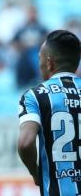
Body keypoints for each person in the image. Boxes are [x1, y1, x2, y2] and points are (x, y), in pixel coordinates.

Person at [17, 30, 81, 195]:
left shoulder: (35, 96)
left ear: (49, 63)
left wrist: (35, 172)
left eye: (39, 59)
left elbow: (25, 143)